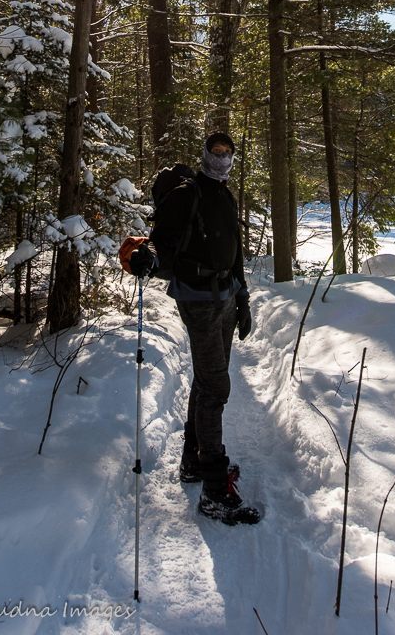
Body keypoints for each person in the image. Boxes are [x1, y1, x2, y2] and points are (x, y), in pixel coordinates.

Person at [126, 132, 260, 526]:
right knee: (216, 386)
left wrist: (244, 300)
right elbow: (162, 241)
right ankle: (215, 490)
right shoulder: (190, 193)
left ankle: (193, 462)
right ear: (204, 154)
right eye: (215, 152)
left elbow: (233, 249)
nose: (221, 159)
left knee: (205, 381)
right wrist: (147, 256)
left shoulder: (225, 194)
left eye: (228, 153)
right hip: (198, 300)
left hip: (225, 298)